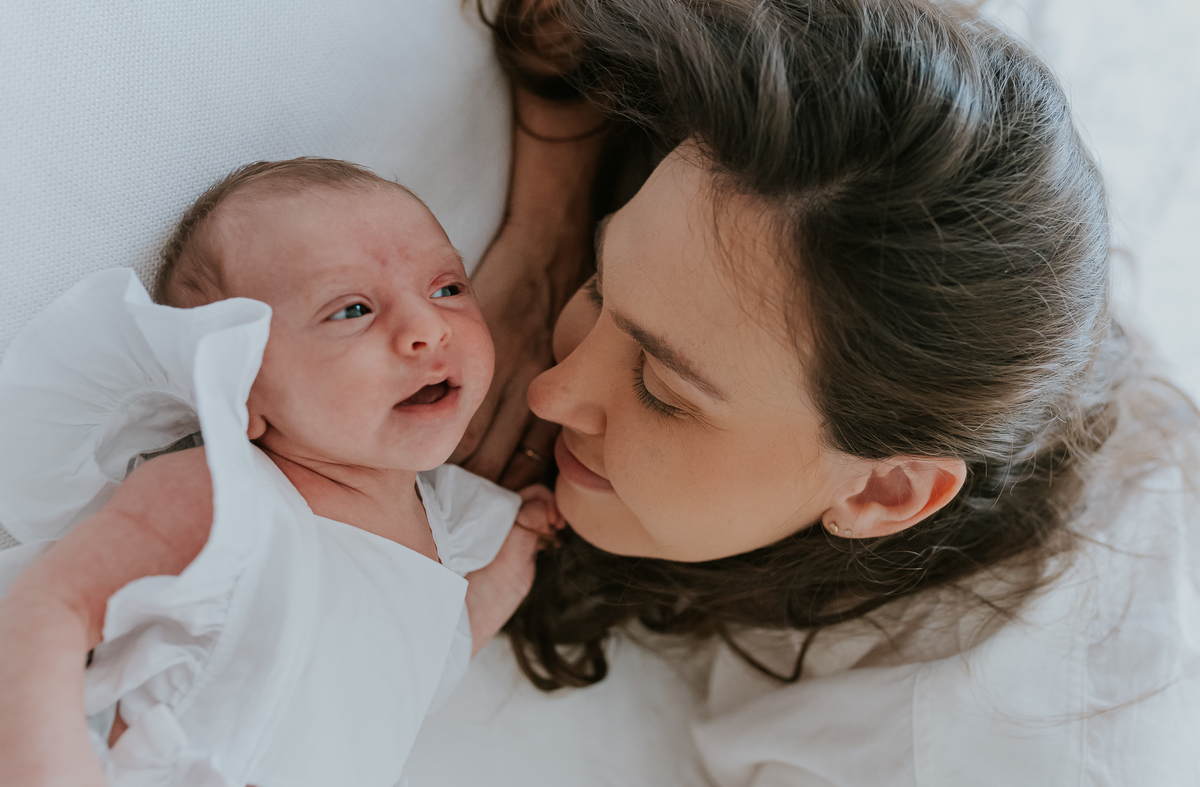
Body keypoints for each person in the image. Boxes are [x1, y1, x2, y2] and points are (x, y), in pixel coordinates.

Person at [441, 0, 1200, 782]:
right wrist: (543, 232)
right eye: (601, 283)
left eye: (661, 390)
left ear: (887, 489)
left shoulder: (942, 750)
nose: (549, 391)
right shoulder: (883, 168)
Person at [0, 158, 562, 787]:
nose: (427, 329)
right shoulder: (222, 496)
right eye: (351, 310)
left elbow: (409, 672)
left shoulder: (435, 541)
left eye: (447, 289)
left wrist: (499, 578)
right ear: (242, 391)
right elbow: (48, 607)